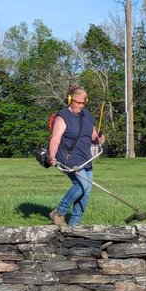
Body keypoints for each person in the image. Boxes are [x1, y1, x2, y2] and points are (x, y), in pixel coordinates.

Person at [48, 85, 105, 226]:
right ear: (69, 100)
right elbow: (55, 138)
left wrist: (99, 139)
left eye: (83, 103)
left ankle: (75, 222)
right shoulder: (63, 117)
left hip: (86, 157)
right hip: (69, 157)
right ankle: (58, 212)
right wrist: (52, 157)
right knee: (81, 185)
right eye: (77, 102)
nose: (80, 106)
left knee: (86, 191)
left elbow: (92, 134)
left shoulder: (86, 115)